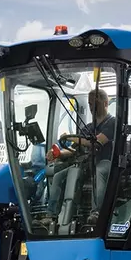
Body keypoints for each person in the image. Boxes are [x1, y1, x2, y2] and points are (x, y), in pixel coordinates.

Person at [46, 88, 115, 223]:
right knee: (59, 175)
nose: (91, 107)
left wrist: (70, 138)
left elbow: (96, 143)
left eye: (95, 103)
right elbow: (74, 149)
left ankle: (96, 213)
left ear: (106, 103)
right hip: (88, 163)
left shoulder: (112, 122)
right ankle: (51, 216)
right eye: (89, 104)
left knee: (99, 170)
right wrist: (59, 154)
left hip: (108, 162)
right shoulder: (88, 127)